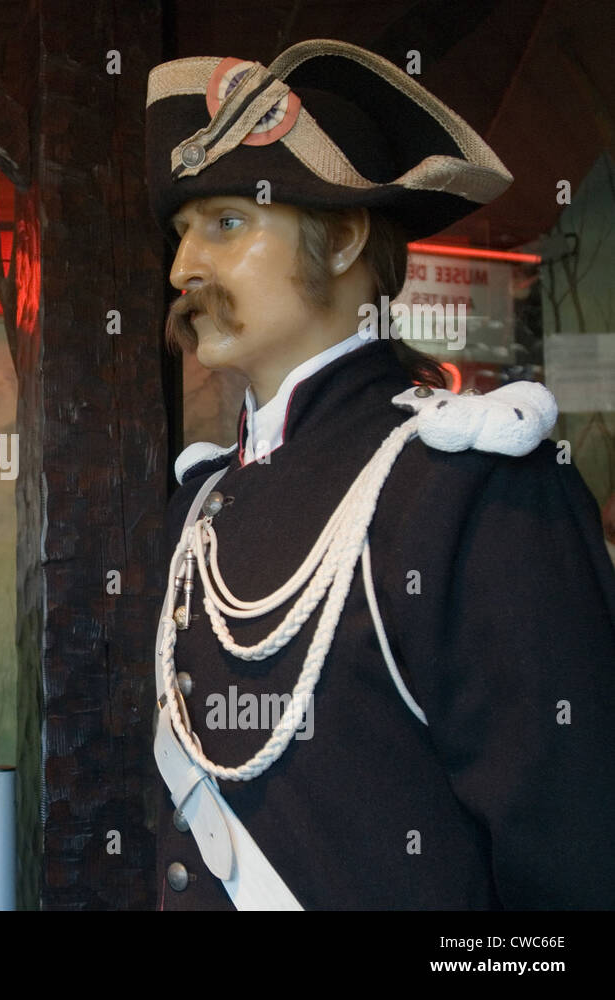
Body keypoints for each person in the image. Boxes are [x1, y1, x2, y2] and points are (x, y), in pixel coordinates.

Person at [145, 39, 615, 909]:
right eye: (182, 234)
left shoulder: (478, 491)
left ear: (346, 235)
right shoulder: (202, 504)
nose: (184, 271)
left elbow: (571, 873)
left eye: (227, 223)